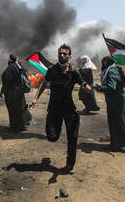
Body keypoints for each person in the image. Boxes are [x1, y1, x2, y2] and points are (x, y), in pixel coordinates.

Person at [30, 44, 91, 174]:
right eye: (60, 53)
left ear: (70, 56)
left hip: (69, 108)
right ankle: (52, 134)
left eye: (65, 54)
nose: (62, 55)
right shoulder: (52, 70)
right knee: (52, 137)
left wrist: (86, 86)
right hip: (54, 108)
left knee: (73, 137)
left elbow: (82, 82)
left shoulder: (73, 71)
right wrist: (36, 98)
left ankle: (70, 164)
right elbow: (43, 84)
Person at [94, 56, 125, 152]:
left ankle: (122, 146)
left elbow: (111, 87)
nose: (103, 64)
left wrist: (98, 87)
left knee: (119, 123)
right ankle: (115, 144)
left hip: (117, 100)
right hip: (113, 100)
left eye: (104, 62)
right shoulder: (111, 70)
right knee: (114, 122)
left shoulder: (112, 70)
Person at [0, 55, 30, 132]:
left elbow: (6, 81)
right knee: (19, 109)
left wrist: (2, 91)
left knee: (12, 110)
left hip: (12, 93)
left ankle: (14, 127)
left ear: (9, 60)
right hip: (20, 92)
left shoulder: (10, 68)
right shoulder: (19, 66)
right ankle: (21, 126)